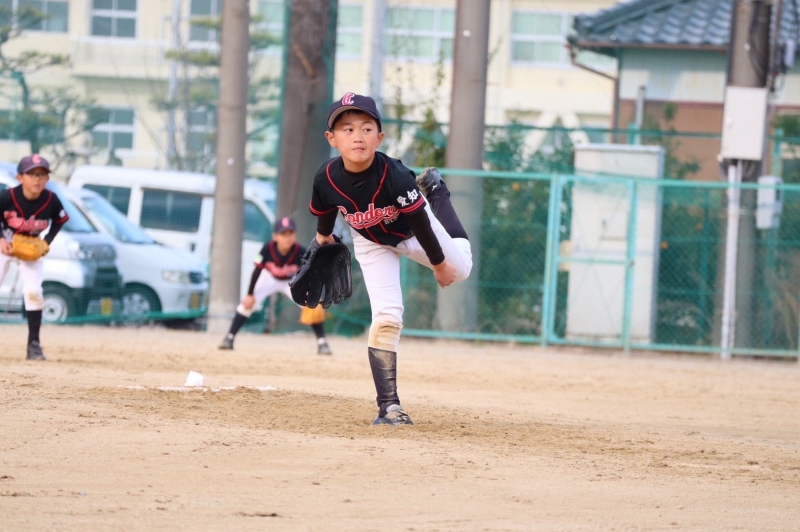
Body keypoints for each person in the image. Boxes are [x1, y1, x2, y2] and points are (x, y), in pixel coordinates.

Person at [309, 93, 472, 426]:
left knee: (461, 271)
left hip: (413, 231)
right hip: (371, 241)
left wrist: (440, 265)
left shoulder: (394, 175)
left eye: (367, 128)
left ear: (379, 137)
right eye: (347, 129)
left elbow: (420, 223)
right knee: (386, 316)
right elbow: (325, 211)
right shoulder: (325, 178)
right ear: (332, 138)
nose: (358, 136)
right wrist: (323, 238)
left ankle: (437, 191)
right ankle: (389, 407)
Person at [219, 216, 332, 355]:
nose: (287, 237)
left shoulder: (301, 252)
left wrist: (311, 292)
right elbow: (257, 270)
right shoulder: (267, 248)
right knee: (247, 304)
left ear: (295, 235)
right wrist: (250, 294)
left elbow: (309, 274)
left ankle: (322, 343)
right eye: (283, 234)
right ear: (275, 236)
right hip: (268, 279)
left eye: (290, 233)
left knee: (312, 305)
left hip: (291, 281)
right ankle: (229, 338)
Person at [0, 154, 70, 361]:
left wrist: (47, 241)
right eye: (32, 174)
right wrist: (0, 239)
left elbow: (60, 219)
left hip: (31, 246)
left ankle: (34, 345)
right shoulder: (7, 197)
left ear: (47, 179)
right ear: (20, 177)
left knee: (34, 292)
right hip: (5, 244)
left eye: (42, 174)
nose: (37, 179)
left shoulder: (51, 200)